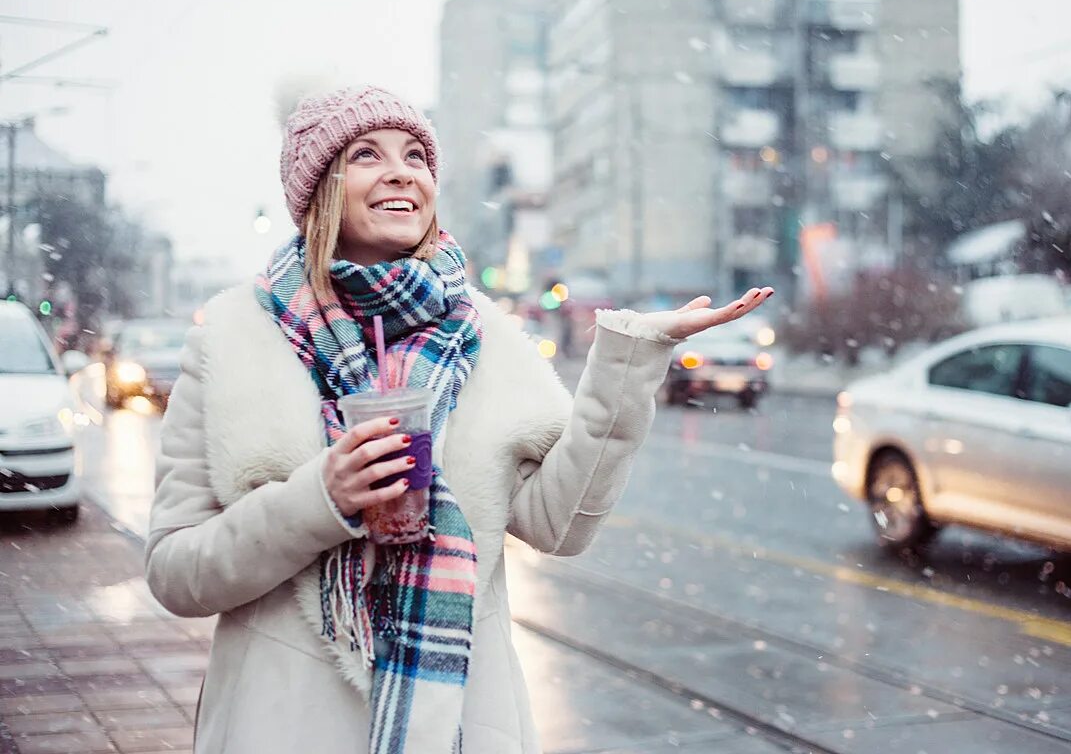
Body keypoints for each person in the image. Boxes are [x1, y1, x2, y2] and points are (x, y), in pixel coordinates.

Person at [144, 85, 773, 754]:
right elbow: (176, 573)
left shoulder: (485, 336)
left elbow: (560, 524)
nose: (401, 170)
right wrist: (320, 500)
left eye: (416, 154)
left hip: (460, 726)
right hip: (281, 724)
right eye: (366, 154)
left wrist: (629, 361)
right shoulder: (234, 339)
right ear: (319, 189)